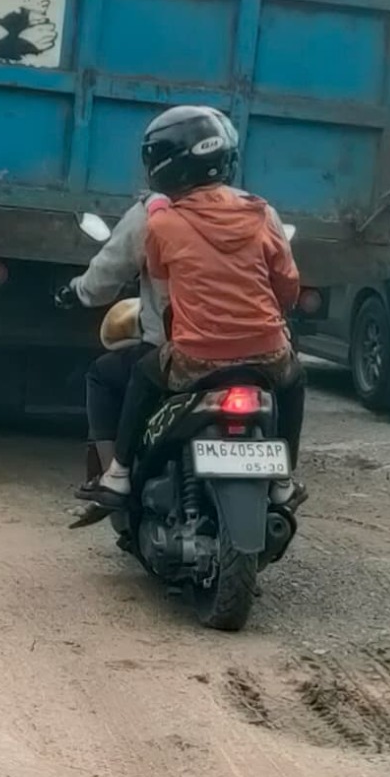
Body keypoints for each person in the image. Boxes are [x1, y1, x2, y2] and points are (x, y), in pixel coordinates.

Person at [64, 104, 304, 518]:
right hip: (268, 354)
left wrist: (76, 293)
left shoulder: (158, 221)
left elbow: (147, 275)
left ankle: (116, 474)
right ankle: (282, 481)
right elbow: (288, 286)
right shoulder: (262, 212)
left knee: (117, 375)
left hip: (192, 355)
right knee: (295, 380)